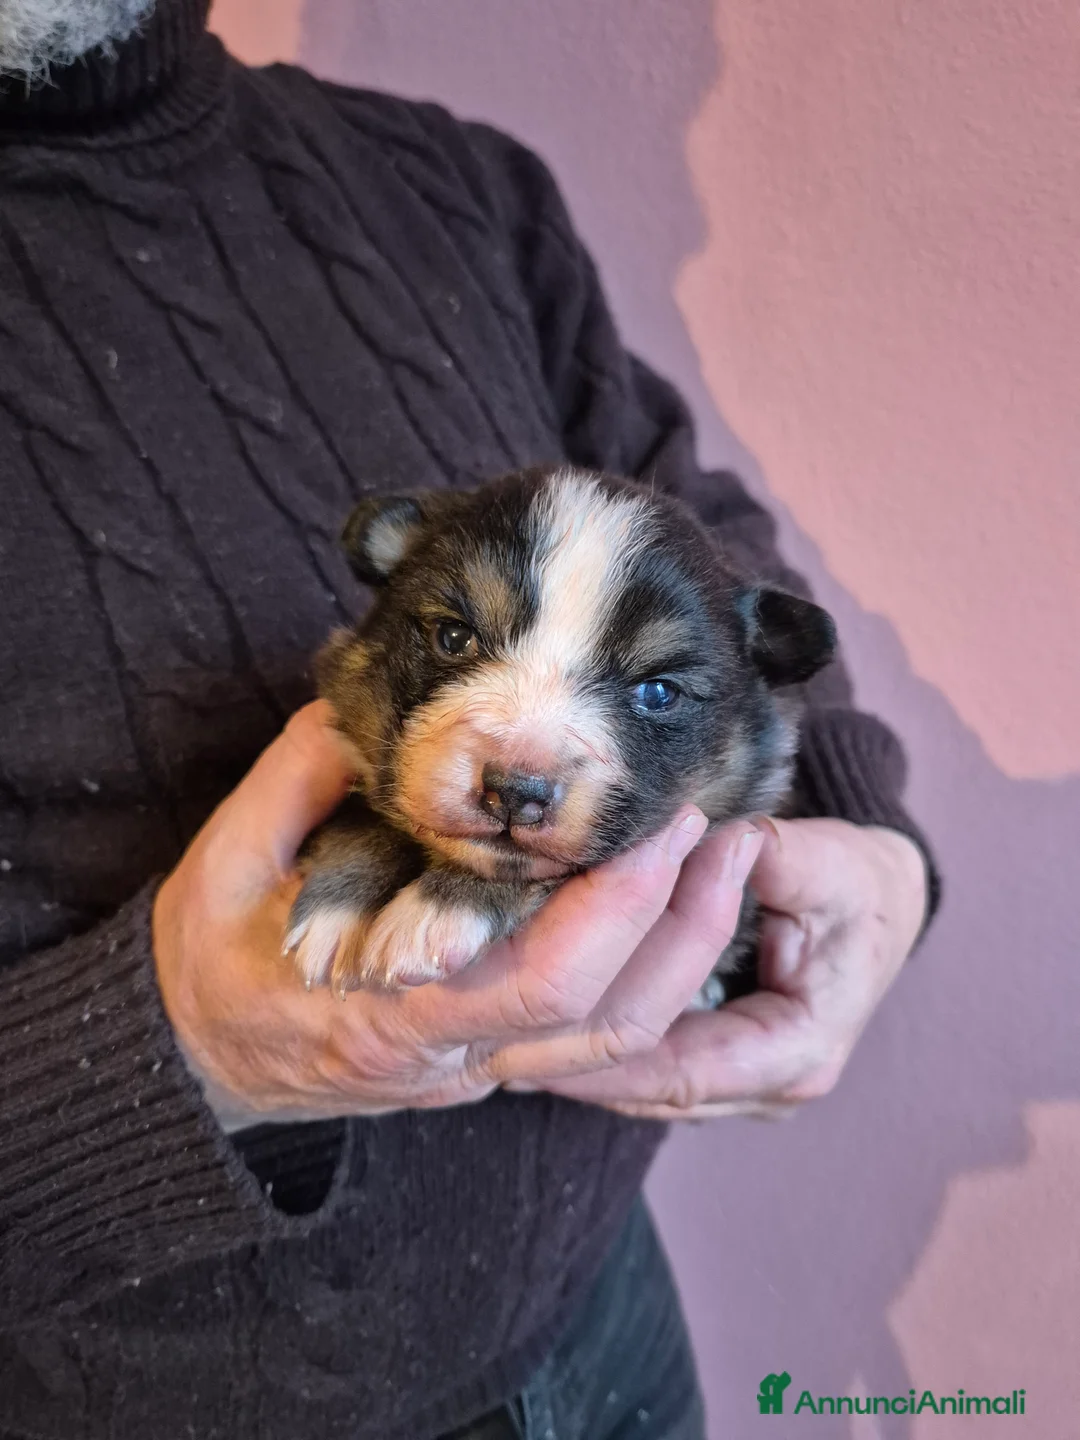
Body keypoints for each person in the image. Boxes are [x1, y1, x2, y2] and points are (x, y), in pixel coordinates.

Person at [0, 2, 937, 1437]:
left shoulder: (453, 184)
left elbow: (710, 556)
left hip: (603, 1313)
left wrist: (867, 841)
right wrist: (174, 1047)